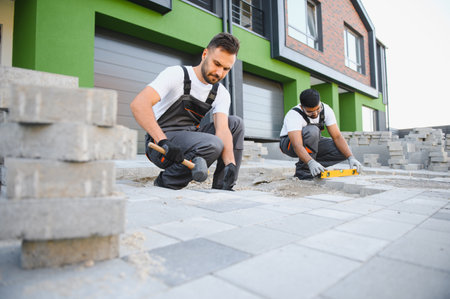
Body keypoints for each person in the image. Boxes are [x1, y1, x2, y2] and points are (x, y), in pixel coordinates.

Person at [130, 33, 244, 190]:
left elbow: (223, 129)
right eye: (216, 64)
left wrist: (230, 162)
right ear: (205, 54)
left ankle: (224, 185)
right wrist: (163, 141)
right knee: (213, 144)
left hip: (190, 139)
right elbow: (139, 104)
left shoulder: (221, 92)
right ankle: (167, 182)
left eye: (226, 69)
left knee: (235, 123)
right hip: (160, 144)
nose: (219, 73)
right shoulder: (176, 74)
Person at [279, 88, 362, 179]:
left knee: (343, 150)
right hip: (289, 144)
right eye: (310, 112)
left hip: (311, 143)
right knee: (313, 131)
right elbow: (297, 145)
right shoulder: (294, 115)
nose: (315, 114)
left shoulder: (327, 110)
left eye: (318, 109)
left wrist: (351, 157)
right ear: (302, 107)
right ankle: (304, 172)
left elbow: (337, 137)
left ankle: (314, 167)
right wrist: (310, 162)